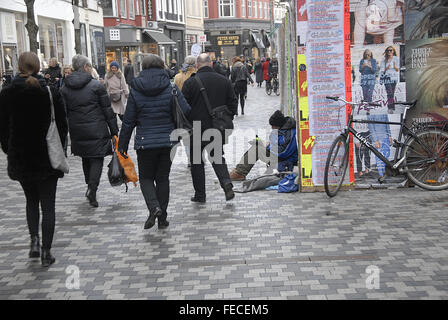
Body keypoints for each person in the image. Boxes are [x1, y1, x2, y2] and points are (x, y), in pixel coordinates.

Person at [0, 52, 68, 267]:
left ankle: (34, 243)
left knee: (31, 201)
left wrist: (8, 148)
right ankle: (47, 251)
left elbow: (2, 128)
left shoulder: (7, 93)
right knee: (48, 205)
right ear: (39, 67)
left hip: (22, 156)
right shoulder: (50, 91)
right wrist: (62, 148)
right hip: (47, 155)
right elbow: (62, 124)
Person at [118, 54, 191, 230]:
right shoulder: (171, 87)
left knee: (146, 178)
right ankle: (162, 218)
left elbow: (128, 120)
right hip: (167, 141)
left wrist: (122, 146)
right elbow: (187, 110)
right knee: (163, 178)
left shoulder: (136, 89)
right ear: (161, 66)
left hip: (145, 142)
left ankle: (154, 207)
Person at [62, 54, 118, 208]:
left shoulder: (65, 87)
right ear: (86, 67)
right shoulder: (96, 86)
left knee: (86, 157)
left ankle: (89, 186)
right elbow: (107, 110)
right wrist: (114, 131)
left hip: (77, 130)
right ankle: (92, 189)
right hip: (97, 129)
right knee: (97, 158)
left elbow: (63, 113)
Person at [182, 53, 238, 203]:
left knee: (196, 161)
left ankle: (200, 195)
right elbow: (233, 104)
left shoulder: (190, 83)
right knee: (217, 157)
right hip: (216, 127)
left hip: (196, 128)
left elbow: (182, 108)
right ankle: (226, 184)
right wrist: (225, 118)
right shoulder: (224, 81)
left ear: (197, 66)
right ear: (211, 64)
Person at [229, 110, 298, 180]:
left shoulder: (291, 133)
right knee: (256, 147)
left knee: (256, 149)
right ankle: (238, 171)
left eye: (273, 126)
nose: (272, 128)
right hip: (279, 157)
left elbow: (283, 152)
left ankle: (239, 173)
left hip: (286, 161)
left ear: (278, 125)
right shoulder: (282, 130)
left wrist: (267, 146)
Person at [380, 46, 399, 114]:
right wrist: (386, 68)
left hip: (394, 78)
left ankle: (391, 106)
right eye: (388, 50)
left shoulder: (396, 58)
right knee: (389, 93)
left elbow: (397, 69)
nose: (389, 52)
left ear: (393, 51)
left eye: (391, 50)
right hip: (387, 78)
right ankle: (390, 107)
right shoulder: (384, 59)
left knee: (392, 93)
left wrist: (394, 66)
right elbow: (382, 70)